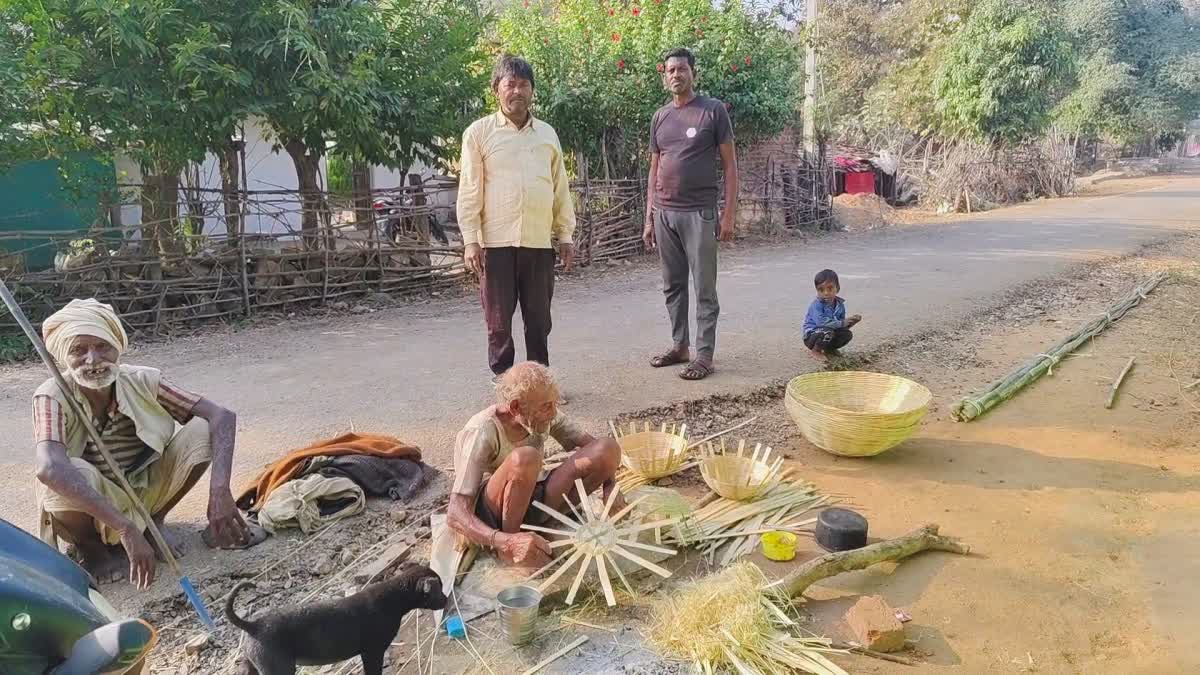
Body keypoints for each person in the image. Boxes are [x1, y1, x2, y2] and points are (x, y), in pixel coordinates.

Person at [31, 298, 254, 590]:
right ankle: (93, 549)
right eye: (78, 350)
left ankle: (153, 522)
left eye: (103, 347)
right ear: (63, 357)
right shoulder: (51, 395)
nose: (93, 360)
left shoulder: (142, 380)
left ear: (117, 348)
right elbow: (49, 468)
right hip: (94, 498)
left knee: (202, 429)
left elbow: (221, 417)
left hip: (143, 488)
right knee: (67, 472)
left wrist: (220, 490)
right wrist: (125, 528)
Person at [457, 55, 577, 380]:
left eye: (524, 85)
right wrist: (471, 241)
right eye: (510, 84)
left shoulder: (547, 135)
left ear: (532, 91)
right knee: (498, 324)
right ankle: (506, 390)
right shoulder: (479, 133)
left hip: (538, 243)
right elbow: (470, 190)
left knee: (539, 321)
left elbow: (560, 188)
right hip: (495, 246)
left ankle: (540, 388)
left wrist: (564, 234)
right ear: (496, 89)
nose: (517, 91)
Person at [446, 362, 623, 569]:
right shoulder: (482, 430)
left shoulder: (547, 415)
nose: (553, 412)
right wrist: (504, 540)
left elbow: (594, 446)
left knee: (607, 448)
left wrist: (610, 484)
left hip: (532, 496)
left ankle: (541, 525)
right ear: (515, 407)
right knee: (526, 459)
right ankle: (512, 547)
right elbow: (455, 513)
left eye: (554, 403)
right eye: (546, 406)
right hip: (492, 514)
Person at [643, 47, 738, 381]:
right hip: (664, 213)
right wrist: (649, 216)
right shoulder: (660, 117)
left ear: (693, 73)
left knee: (704, 288)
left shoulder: (712, 112)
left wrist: (728, 215)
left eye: (682, 69)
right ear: (664, 76)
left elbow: (730, 165)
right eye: (670, 70)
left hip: (700, 213)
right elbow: (654, 168)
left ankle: (705, 355)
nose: (675, 75)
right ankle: (680, 346)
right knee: (673, 285)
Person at [803, 269, 862, 357]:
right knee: (827, 331)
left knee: (847, 334)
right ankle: (816, 350)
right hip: (812, 335)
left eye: (830, 288)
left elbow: (839, 325)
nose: (826, 293)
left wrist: (851, 322)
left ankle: (829, 349)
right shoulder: (816, 305)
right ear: (817, 291)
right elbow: (821, 323)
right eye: (821, 290)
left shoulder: (840, 305)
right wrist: (843, 323)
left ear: (837, 288)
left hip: (829, 333)